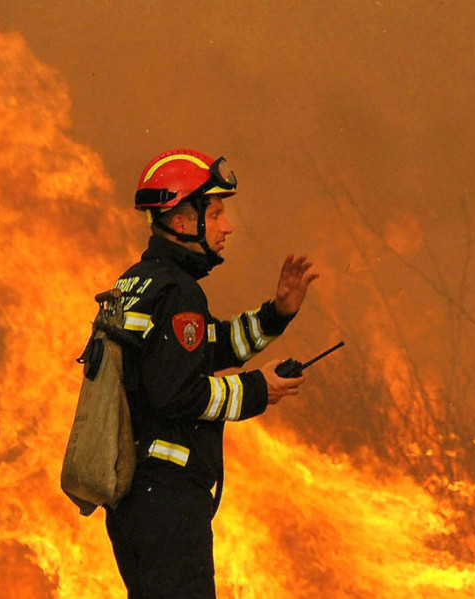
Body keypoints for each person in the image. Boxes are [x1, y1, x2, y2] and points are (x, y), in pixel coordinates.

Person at [104, 148, 317, 598]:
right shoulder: (178, 293)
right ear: (182, 222)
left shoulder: (140, 282)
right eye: (216, 213)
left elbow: (206, 347)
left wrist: (277, 314)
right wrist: (261, 389)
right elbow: (179, 393)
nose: (227, 226)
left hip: (137, 502)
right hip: (167, 501)